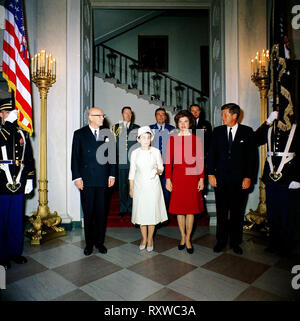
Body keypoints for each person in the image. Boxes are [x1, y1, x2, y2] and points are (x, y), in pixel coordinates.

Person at [207, 103, 255, 255]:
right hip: (220, 180)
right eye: (222, 114)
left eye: (225, 115)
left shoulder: (247, 132)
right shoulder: (217, 131)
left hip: (240, 181)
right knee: (221, 211)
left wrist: (248, 177)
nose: (222, 118)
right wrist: (210, 173)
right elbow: (211, 154)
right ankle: (220, 241)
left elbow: (252, 159)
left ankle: (235, 242)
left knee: (237, 212)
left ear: (235, 116)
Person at [71, 107, 116, 256]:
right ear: (90, 117)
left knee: (102, 213)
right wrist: (77, 177)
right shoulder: (79, 134)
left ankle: (99, 242)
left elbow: (112, 157)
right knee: (89, 213)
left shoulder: (107, 134)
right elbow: (75, 158)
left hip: (103, 179)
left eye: (103, 115)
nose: (102, 118)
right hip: (87, 180)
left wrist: (112, 175)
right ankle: (89, 244)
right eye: (99, 116)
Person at [255, 110, 300, 255]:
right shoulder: (270, 128)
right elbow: (255, 140)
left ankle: (287, 244)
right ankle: (274, 242)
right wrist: (267, 122)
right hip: (271, 174)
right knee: (273, 211)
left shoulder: (295, 128)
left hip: (289, 176)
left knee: (288, 212)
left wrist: (298, 178)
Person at [0, 98, 35, 269]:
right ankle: (1, 255)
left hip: (18, 183)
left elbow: (28, 158)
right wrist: (7, 124)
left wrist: (29, 178)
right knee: (1, 221)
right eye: (7, 113)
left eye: (12, 113)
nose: (10, 116)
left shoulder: (22, 133)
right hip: (1, 184)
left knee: (15, 220)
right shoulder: (1, 131)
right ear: (1, 114)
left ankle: (15, 252)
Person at [165, 110, 205, 254]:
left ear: (190, 123)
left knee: (190, 210)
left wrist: (201, 179)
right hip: (177, 178)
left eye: (185, 121)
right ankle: (182, 236)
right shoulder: (172, 140)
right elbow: (168, 162)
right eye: (180, 122)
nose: (183, 124)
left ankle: (188, 238)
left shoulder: (196, 140)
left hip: (192, 177)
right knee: (179, 210)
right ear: (177, 123)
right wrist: (168, 179)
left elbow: (200, 161)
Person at [129, 126, 168, 252]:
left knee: (151, 214)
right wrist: (131, 188)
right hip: (139, 186)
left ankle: (150, 239)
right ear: (138, 139)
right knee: (141, 214)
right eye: (143, 138)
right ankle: (143, 238)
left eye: (148, 137)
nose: (146, 140)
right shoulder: (135, 153)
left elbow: (161, 168)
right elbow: (132, 172)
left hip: (153, 186)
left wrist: (157, 170)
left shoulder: (156, 151)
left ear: (151, 138)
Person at [112, 106, 139, 218]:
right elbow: (112, 144)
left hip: (133, 161)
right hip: (121, 161)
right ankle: (123, 208)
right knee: (122, 186)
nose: (128, 115)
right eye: (125, 113)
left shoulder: (137, 128)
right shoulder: (116, 127)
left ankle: (132, 208)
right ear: (122, 114)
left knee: (133, 185)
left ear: (131, 115)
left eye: (129, 113)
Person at [149, 107, 175, 208]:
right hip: (153, 163)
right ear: (155, 116)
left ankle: (167, 209)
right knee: (154, 187)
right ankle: (155, 208)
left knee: (167, 187)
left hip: (167, 162)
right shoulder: (149, 129)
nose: (161, 116)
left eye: (163, 114)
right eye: (158, 114)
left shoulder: (172, 129)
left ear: (166, 117)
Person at [190, 104, 212, 197]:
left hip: (202, 154)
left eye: (197, 110)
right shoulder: (187, 123)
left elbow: (210, 140)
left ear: (200, 111)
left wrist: (206, 153)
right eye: (193, 111)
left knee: (202, 174)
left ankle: (203, 194)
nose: (195, 113)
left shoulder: (206, 124)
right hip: (189, 155)